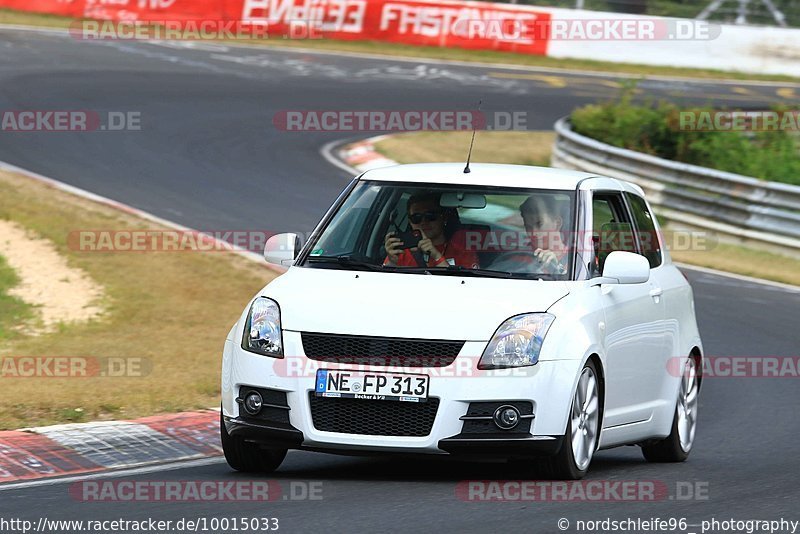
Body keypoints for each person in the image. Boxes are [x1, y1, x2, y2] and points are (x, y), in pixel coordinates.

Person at [384, 192, 479, 269]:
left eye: (430, 216)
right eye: (416, 218)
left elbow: (464, 287)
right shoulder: (400, 252)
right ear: (410, 222)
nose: (423, 222)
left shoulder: (463, 253)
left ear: (444, 218)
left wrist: (436, 256)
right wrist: (392, 262)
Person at [488, 193, 571, 275]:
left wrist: (557, 268)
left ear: (557, 223)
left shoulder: (574, 262)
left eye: (539, 224)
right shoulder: (517, 256)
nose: (533, 232)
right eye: (528, 226)